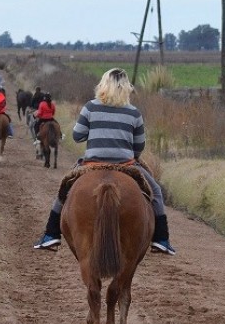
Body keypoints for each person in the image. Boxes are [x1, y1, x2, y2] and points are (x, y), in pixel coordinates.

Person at [33, 68, 176, 255]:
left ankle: (51, 235)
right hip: (126, 165)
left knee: (64, 188)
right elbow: (139, 146)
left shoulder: (90, 107)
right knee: (155, 191)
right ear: (126, 88)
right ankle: (161, 239)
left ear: (103, 85)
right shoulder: (134, 113)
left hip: (92, 164)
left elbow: (77, 136)